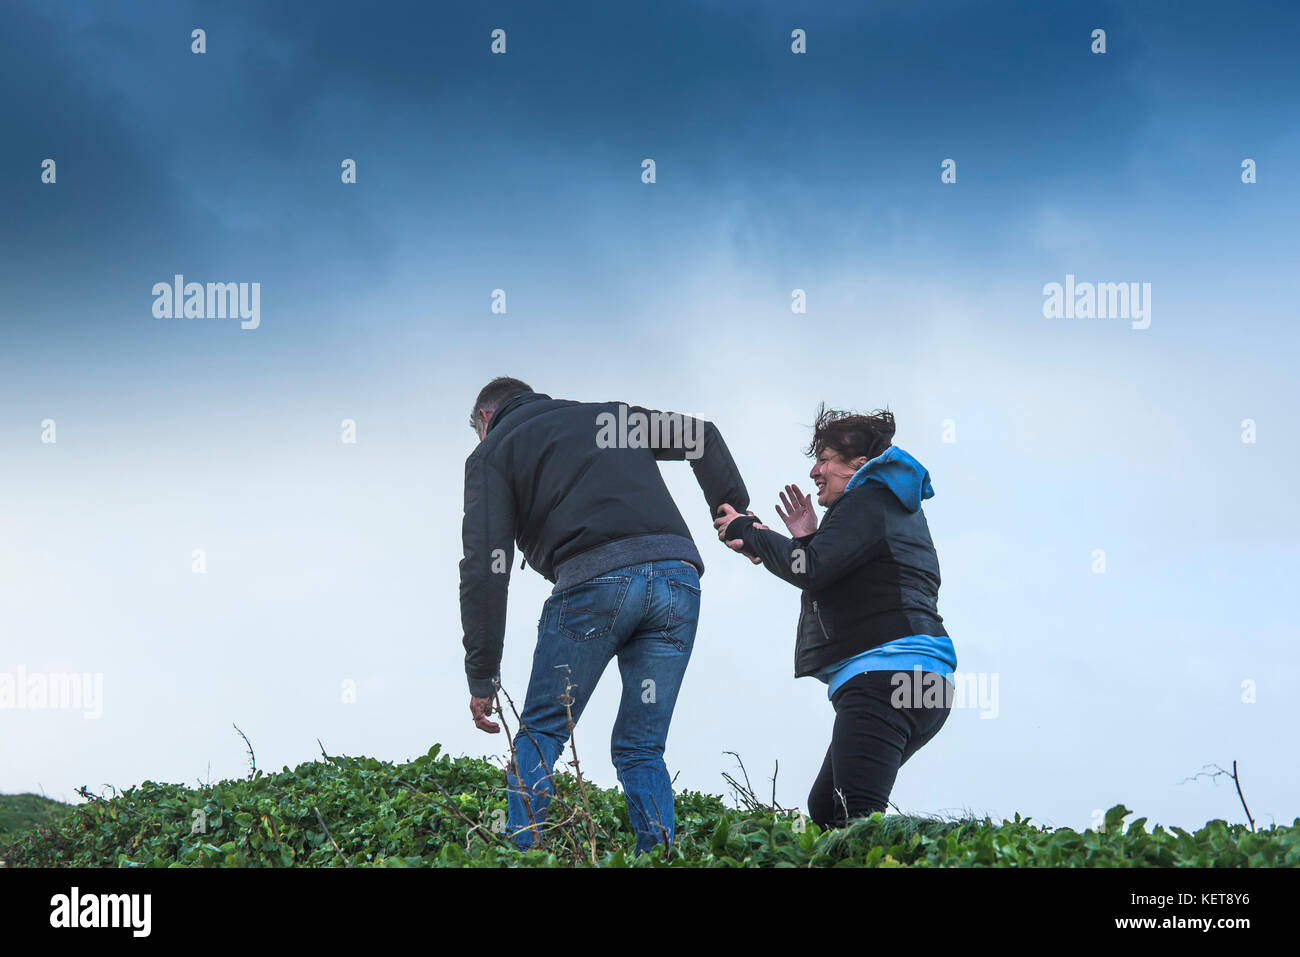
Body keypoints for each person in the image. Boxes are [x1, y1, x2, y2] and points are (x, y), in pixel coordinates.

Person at [459, 377, 749, 854]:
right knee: (640, 747)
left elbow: (484, 569)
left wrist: (482, 675)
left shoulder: (493, 453)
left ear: (486, 420)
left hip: (595, 585)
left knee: (543, 731)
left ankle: (524, 857)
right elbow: (702, 434)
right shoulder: (609, 417)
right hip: (678, 581)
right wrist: (735, 512)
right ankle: (656, 859)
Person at [713, 405, 955, 828]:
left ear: (859, 465)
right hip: (923, 681)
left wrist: (750, 531)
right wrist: (806, 538)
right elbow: (839, 577)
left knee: (858, 818)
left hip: (885, 678)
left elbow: (813, 568)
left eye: (824, 459)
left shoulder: (868, 498)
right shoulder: (890, 507)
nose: (814, 472)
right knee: (828, 808)